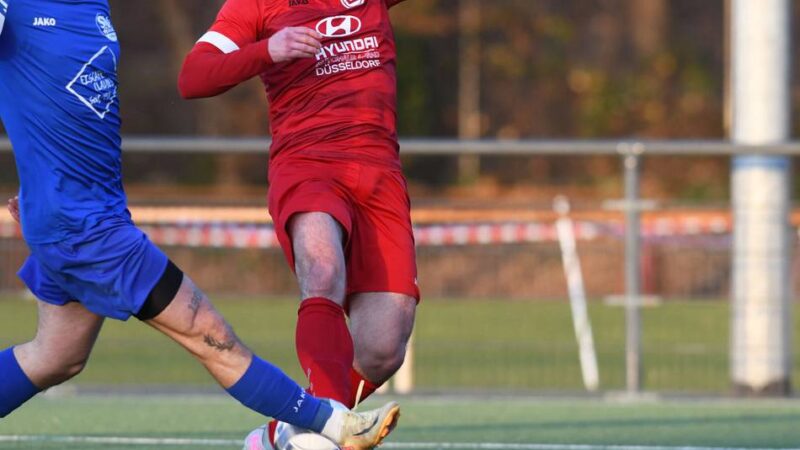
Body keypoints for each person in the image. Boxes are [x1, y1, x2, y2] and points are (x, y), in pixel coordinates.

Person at [0, 2, 399, 449]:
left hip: (84, 216)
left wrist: (41, 193)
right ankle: (332, 425)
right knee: (213, 339)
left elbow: (59, 112)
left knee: (56, 355)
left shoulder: (94, 6)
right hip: (88, 230)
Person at [179, 0, 418, 447]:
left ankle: (284, 432)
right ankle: (324, 435)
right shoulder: (255, 5)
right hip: (307, 164)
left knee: (383, 348)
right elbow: (193, 77)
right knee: (322, 270)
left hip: (379, 172)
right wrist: (269, 50)